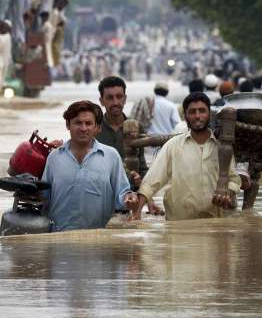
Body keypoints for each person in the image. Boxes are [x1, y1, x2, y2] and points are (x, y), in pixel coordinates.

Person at [133, 92, 241, 221]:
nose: (197, 116)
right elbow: (151, 182)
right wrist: (136, 213)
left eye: (202, 111)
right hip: (180, 226)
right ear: (185, 116)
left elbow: (234, 180)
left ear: (209, 114)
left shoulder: (223, 148)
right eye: (192, 112)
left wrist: (227, 193)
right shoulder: (172, 146)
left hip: (216, 224)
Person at [41, 101, 139, 231]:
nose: (83, 128)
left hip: (99, 241)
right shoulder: (54, 158)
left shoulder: (111, 156)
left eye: (88, 123)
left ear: (97, 128)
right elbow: (43, 199)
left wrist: (130, 199)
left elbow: (122, 195)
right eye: (78, 123)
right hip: (60, 240)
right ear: (68, 125)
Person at [96, 77, 164, 216]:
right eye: (110, 98)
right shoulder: (93, 128)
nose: (115, 102)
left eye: (119, 97)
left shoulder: (135, 127)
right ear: (101, 101)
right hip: (100, 200)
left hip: (128, 201)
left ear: (125, 99)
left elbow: (142, 167)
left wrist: (149, 201)